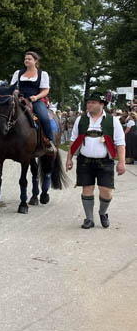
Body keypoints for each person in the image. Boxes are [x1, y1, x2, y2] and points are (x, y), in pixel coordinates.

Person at [66, 92, 126, 229]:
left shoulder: (113, 120)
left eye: (93, 102)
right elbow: (73, 140)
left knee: (106, 192)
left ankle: (103, 212)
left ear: (102, 104)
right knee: (87, 189)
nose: (89, 105)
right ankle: (89, 219)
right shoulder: (80, 120)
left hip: (105, 161)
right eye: (88, 102)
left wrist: (121, 162)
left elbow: (120, 143)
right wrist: (69, 159)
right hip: (84, 160)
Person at [9, 51, 55, 153]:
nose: (26, 60)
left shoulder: (42, 74)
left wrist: (36, 97)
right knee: (5, 113)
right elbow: (13, 88)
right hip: (20, 100)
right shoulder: (18, 73)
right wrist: (16, 92)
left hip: (35, 101)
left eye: (29, 59)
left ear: (35, 61)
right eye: (25, 59)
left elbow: (46, 90)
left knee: (44, 118)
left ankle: (49, 142)